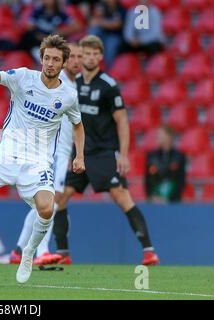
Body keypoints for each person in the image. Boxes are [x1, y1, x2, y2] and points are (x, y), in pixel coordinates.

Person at [0, 34, 86, 284]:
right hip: (8, 153)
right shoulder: (23, 77)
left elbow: (77, 125)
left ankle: (29, 252)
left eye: (56, 59)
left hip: (38, 162)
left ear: (63, 63)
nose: (50, 63)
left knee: (46, 208)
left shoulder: (68, 96)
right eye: (47, 58)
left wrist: (79, 156)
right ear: (41, 59)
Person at [43, 35, 160, 266]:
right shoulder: (71, 84)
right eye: (86, 53)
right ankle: (63, 253)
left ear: (100, 57)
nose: (90, 57)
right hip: (80, 154)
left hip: (103, 153)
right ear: (81, 55)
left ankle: (149, 250)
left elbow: (122, 121)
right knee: (60, 197)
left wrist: (123, 154)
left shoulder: (108, 85)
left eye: (95, 54)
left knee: (121, 196)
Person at [9, 42, 83, 265]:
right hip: (53, 151)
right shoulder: (59, 85)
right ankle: (40, 251)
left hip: (61, 150)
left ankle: (19, 249)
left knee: (49, 202)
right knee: (50, 202)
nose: (77, 61)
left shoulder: (73, 85)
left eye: (80, 56)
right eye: (74, 56)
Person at [17, 0, 81, 61]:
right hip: (37, 38)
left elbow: (77, 26)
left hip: (51, 39)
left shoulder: (60, 13)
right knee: (27, 36)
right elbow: (29, 26)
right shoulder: (38, 11)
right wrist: (35, 29)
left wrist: (61, 31)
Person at [145, 126, 186, 203]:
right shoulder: (151, 156)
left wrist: (169, 199)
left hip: (173, 202)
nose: (157, 137)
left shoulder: (179, 156)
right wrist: (152, 197)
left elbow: (181, 181)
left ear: (169, 137)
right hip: (154, 201)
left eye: (160, 135)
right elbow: (148, 180)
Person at [88, 0, 126, 68]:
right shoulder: (101, 6)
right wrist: (107, 23)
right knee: (93, 30)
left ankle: (109, 70)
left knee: (110, 46)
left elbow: (117, 25)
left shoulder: (121, 8)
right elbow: (92, 22)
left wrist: (100, 22)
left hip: (115, 36)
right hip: (103, 33)